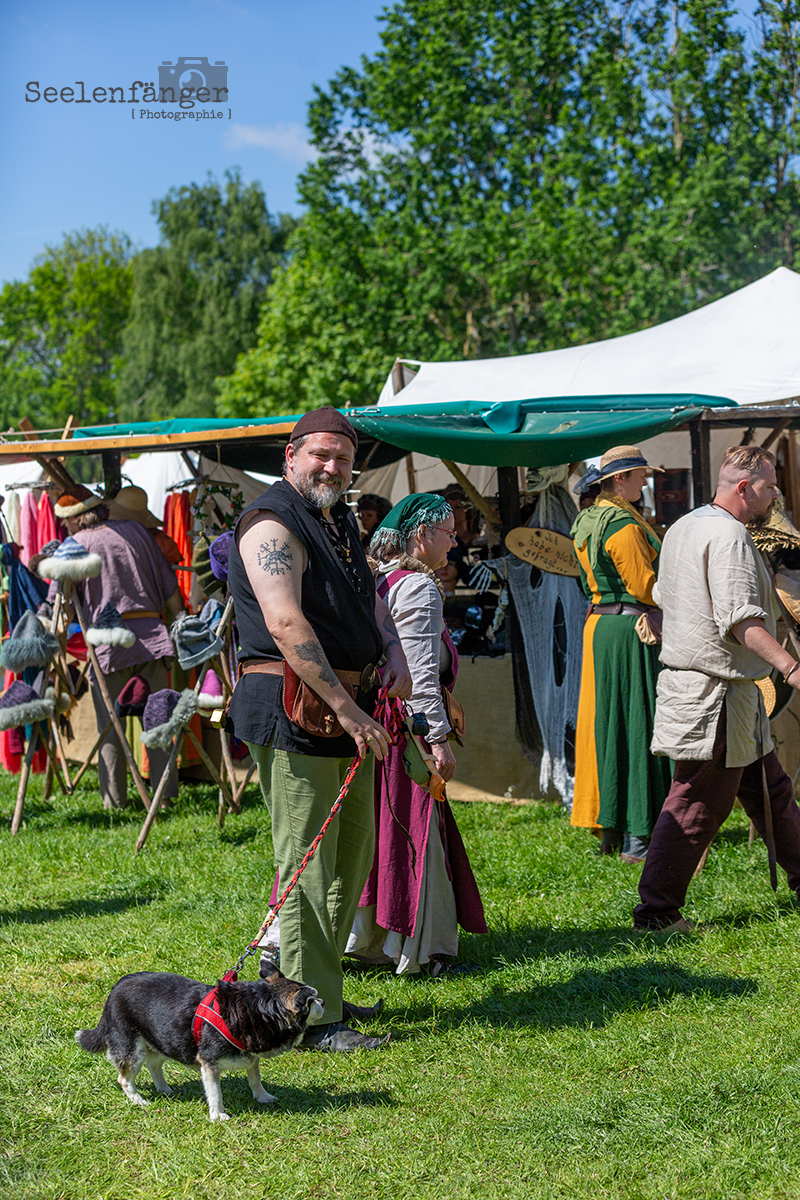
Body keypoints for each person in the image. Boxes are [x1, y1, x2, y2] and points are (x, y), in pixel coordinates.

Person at [226, 407, 412, 1052]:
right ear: (291, 456)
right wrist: (347, 707)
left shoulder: (337, 520)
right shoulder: (270, 522)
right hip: (294, 708)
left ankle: (315, 989)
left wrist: (392, 648)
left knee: (349, 856)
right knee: (307, 863)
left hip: (344, 706)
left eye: (343, 457)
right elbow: (284, 623)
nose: (332, 467)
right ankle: (310, 1018)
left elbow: (368, 597)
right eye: (320, 455)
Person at [634, 445, 800, 932]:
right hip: (715, 698)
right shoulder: (728, 535)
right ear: (744, 488)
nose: (775, 496)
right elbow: (741, 621)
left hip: (724, 694)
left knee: (771, 793)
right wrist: (791, 667)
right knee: (696, 803)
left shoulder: (684, 526)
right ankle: (657, 913)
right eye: (769, 487)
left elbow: (662, 596)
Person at [346, 494, 487, 975]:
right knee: (412, 834)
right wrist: (437, 740)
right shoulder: (418, 587)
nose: (455, 542)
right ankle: (420, 946)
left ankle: (369, 938)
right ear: (421, 534)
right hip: (406, 730)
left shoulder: (379, 580)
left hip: (379, 726)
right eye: (449, 532)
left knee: (377, 834)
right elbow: (420, 674)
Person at [47, 485, 186, 810]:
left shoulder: (75, 545)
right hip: (152, 638)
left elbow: (60, 607)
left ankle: (115, 802)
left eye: (66, 521)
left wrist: (58, 643)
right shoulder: (139, 532)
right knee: (158, 720)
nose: (65, 527)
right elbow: (170, 588)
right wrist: (181, 627)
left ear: (77, 518)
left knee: (111, 726)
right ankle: (165, 798)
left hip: (109, 645)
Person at [570, 446, 671, 861]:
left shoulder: (587, 519)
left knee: (607, 726)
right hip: (632, 632)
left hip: (601, 628)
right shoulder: (623, 526)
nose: (645, 482)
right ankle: (639, 834)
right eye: (640, 476)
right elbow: (646, 588)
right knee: (637, 725)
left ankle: (611, 831)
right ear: (619, 480)